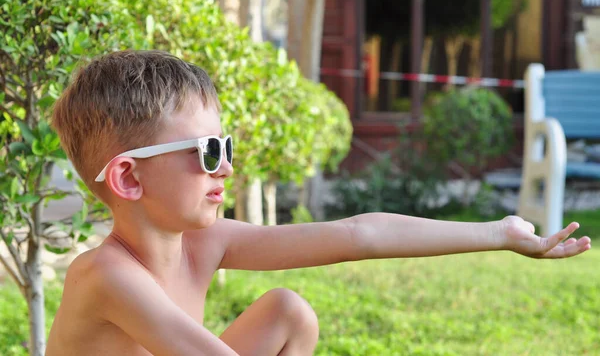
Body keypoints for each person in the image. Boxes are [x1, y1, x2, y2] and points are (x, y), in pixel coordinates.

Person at [46, 50, 591, 356]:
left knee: (287, 311)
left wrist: (499, 232)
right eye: (208, 151)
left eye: (226, 147)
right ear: (128, 178)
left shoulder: (202, 242)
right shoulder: (104, 274)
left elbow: (358, 235)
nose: (228, 167)